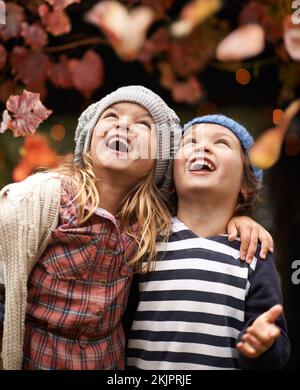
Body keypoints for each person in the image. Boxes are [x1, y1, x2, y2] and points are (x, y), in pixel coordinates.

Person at [0, 90, 272, 370]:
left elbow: (206, 208)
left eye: (143, 124)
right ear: (89, 139)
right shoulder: (44, 199)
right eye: (111, 116)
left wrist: (240, 218)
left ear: (160, 162)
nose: (124, 125)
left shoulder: (148, 226)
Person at [127, 114, 290, 370]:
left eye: (222, 143)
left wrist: (262, 346)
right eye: (189, 142)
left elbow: (278, 350)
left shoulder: (252, 253)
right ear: (172, 175)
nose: (202, 147)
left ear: (246, 185)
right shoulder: (144, 238)